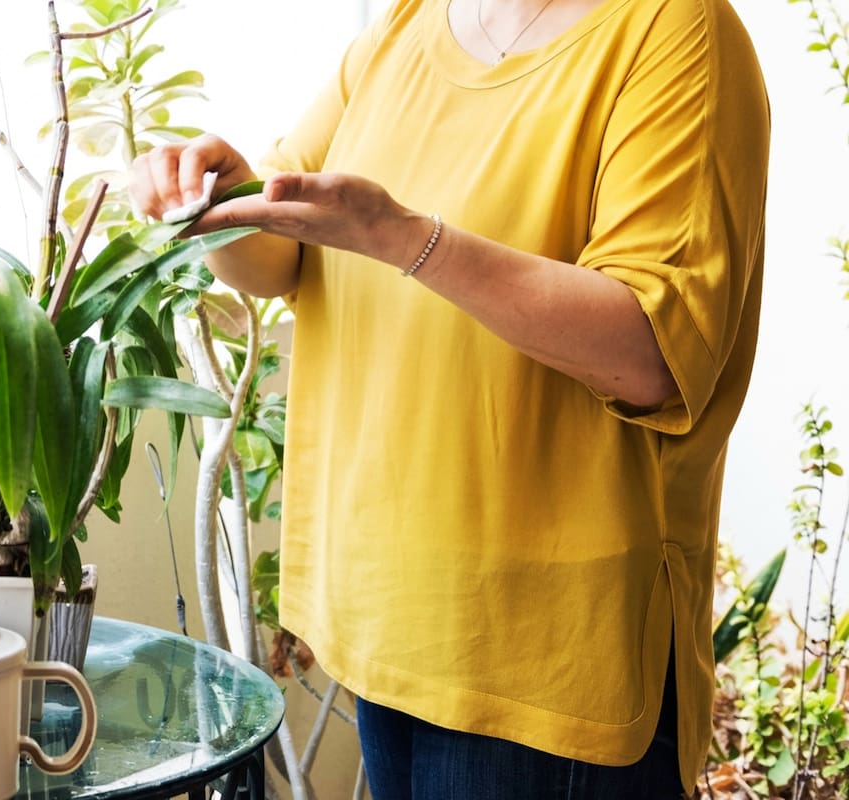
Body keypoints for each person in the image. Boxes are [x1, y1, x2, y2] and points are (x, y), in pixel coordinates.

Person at [130, 0, 769, 795]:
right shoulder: (405, 27)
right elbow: (281, 253)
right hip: (392, 619)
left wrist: (402, 237)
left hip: (538, 658)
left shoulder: (675, 30)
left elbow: (648, 351)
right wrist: (219, 203)